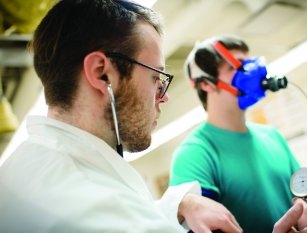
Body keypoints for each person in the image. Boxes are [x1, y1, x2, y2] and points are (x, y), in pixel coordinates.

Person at [0, 1, 243, 232]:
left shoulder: (22, 171)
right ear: (102, 73)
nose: (163, 97)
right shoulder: (101, 214)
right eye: (155, 78)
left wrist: (175, 205)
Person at [169, 35, 301, 233]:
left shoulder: (273, 136)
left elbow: (303, 198)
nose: (250, 72)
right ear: (206, 83)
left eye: (247, 63)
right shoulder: (194, 153)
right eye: (236, 66)